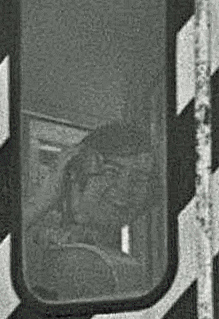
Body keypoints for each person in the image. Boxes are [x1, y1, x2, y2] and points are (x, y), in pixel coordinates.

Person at [26, 120, 159, 301]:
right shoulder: (79, 260)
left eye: (139, 178)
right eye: (110, 172)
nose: (125, 188)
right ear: (72, 174)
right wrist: (42, 201)